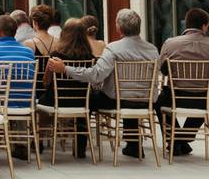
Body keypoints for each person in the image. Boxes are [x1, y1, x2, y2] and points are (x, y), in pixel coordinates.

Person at [48, 9, 159, 159]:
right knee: (130, 96)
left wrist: (65, 69)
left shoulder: (114, 49)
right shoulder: (152, 50)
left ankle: (81, 147)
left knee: (87, 99)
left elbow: (95, 75)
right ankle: (134, 146)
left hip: (116, 102)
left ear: (118, 28)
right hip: (146, 103)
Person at [39, 18, 95, 158]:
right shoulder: (90, 57)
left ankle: (39, 142)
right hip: (83, 102)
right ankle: (80, 148)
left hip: (57, 101)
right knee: (84, 105)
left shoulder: (56, 56)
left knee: (39, 105)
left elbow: (46, 82)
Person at [158, 8, 209, 157]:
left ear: (186, 24)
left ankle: (176, 140)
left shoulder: (170, 43)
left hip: (175, 96)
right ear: (204, 26)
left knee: (158, 102)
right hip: (202, 98)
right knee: (207, 101)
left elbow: (164, 71)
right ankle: (183, 138)